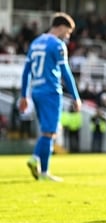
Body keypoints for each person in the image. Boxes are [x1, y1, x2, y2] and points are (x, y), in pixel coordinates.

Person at [19, 12, 82, 182]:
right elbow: (66, 72)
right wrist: (76, 96)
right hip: (51, 92)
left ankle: (41, 169)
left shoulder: (36, 43)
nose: (67, 36)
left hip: (36, 91)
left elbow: (26, 72)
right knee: (49, 132)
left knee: (48, 131)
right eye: (68, 32)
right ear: (61, 27)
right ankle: (41, 167)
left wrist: (23, 95)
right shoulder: (58, 45)